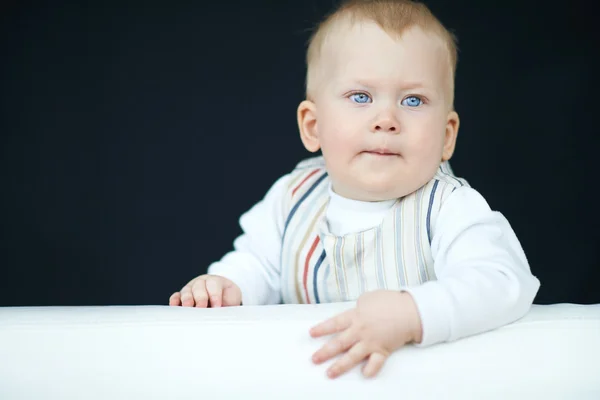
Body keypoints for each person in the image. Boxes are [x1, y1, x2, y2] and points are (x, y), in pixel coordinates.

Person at [169, 0, 540, 380]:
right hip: (311, 380)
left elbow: (502, 281)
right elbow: (257, 265)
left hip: (417, 383)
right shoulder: (293, 197)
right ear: (313, 125)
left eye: (413, 100)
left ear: (447, 137)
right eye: (361, 97)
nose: (386, 120)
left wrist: (413, 313)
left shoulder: (449, 206)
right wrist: (226, 286)